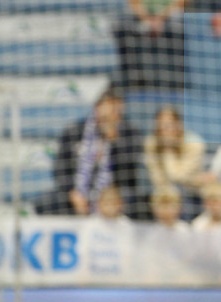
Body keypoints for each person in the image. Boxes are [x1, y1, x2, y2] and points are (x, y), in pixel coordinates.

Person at [35, 89, 145, 219]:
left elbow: (130, 174)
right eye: (110, 109)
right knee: (45, 203)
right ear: (97, 108)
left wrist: (115, 144)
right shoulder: (74, 131)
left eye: (117, 111)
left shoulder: (130, 135)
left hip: (114, 194)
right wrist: (73, 193)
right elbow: (60, 168)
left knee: (138, 205)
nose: (113, 115)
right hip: (78, 192)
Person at [144, 105, 216, 218]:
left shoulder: (194, 143)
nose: (166, 130)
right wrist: (197, 179)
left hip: (190, 194)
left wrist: (168, 150)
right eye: (162, 126)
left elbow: (178, 176)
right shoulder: (151, 143)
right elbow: (157, 178)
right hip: (163, 192)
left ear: (179, 124)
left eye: (169, 125)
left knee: (181, 198)